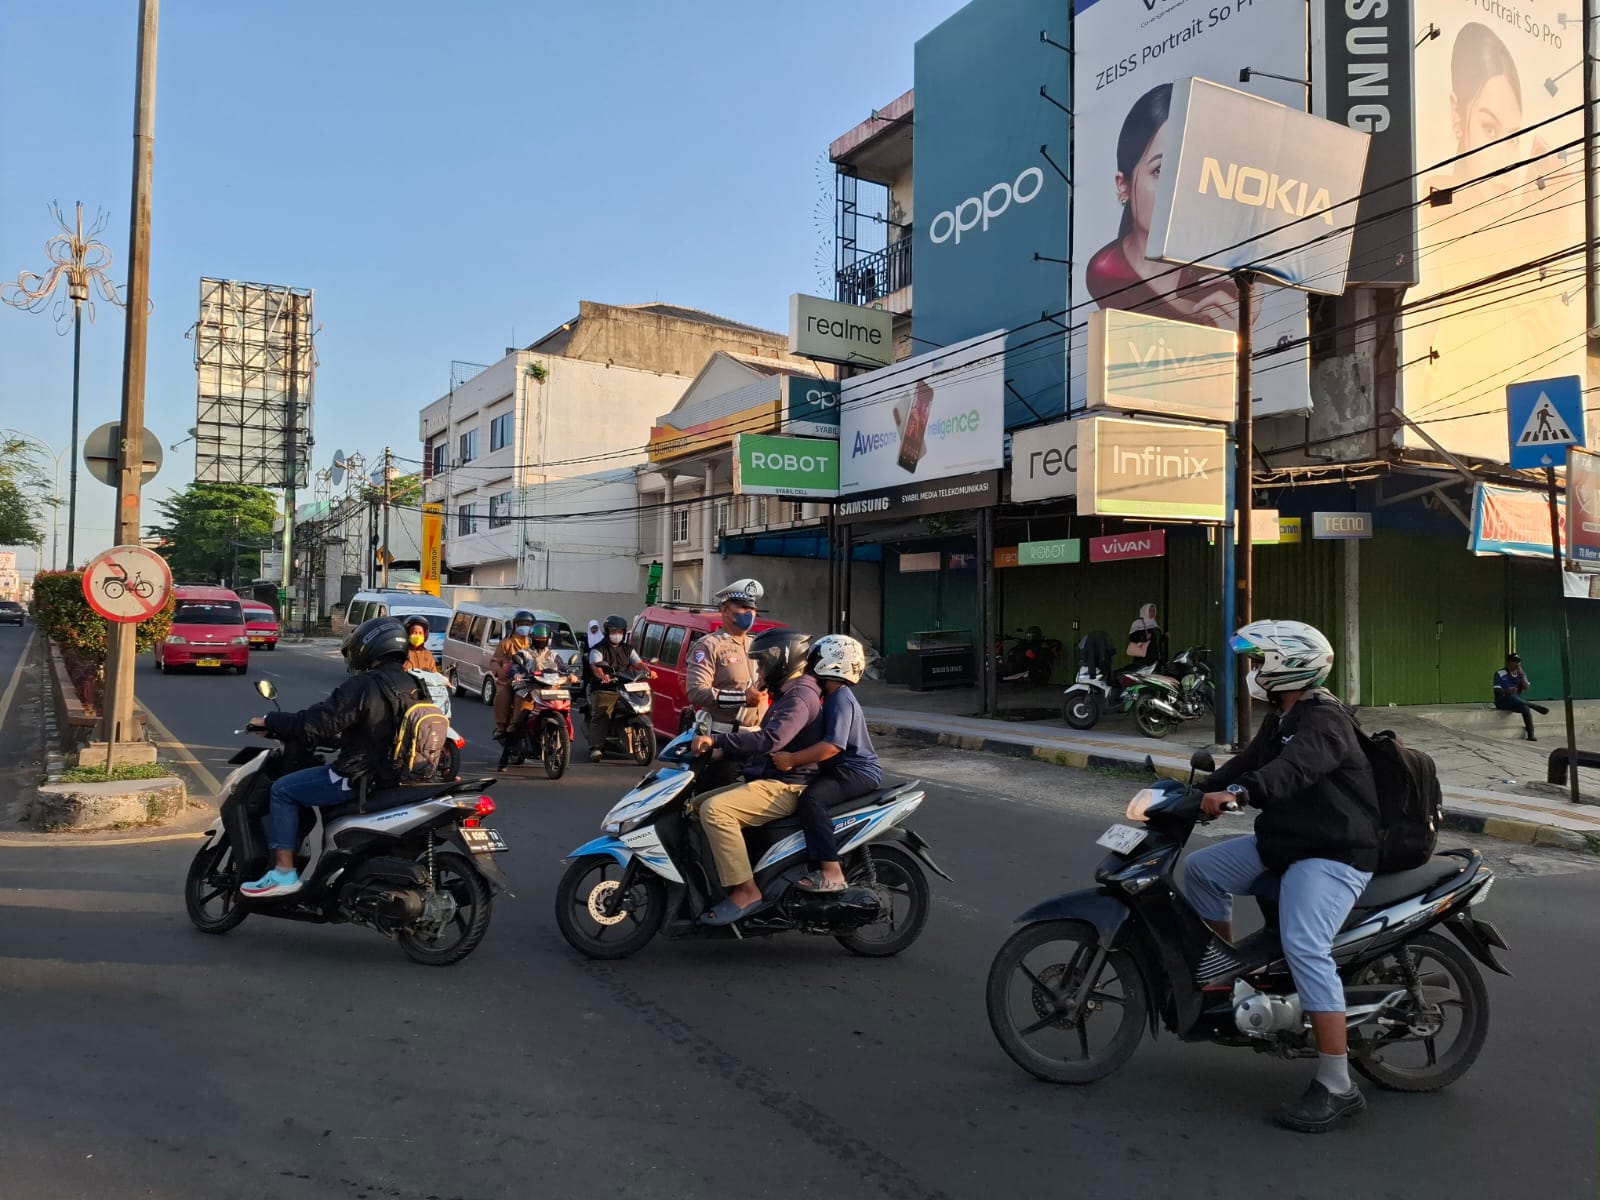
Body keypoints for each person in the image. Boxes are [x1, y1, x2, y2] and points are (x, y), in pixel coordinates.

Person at [1179, 620, 1381, 1133]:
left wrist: (1240, 795)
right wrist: (1192, 793)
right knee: (1201, 870)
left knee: (1304, 945)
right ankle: (1222, 976)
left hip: (1332, 852)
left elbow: (1293, 771)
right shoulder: (1283, 717)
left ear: (1286, 665)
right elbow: (1249, 763)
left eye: (1257, 661)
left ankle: (1338, 1084)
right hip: (1288, 842)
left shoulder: (1324, 720)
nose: (1252, 670)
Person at [240, 617, 422, 899]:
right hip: (397, 778)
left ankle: (283, 872)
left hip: (359, 776)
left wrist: (272, 721)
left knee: (282, 790)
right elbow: (378, 730)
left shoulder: (365, 685)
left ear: (370, 647)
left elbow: (319, 723)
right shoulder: (416, 685)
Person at [689, 629, 822, 925]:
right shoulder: (788, 694)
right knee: (694, 807)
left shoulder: (800, 696)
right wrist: (720, 752)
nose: (759, 671)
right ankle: (721, 878)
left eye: (762, 664)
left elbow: (770, 740)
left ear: (783, 660)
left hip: (788, 785)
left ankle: (746, 890)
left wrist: (718, 741)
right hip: (771, 778)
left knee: (715, 811)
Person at [1084, 82, 1239, 329]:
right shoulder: (1107, 271)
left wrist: (1243, 328)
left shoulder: (1221, 269)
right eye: (1161, 170)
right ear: (1123, 186)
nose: (1177, 186)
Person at [767, 634, 880, 892]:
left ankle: (831, 872)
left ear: (832, 662)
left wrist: (792, 759)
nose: (808, 665)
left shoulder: (841, 699)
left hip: (855, 771)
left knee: (812, 800)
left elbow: (832, 746)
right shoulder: (829, 696)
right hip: (841, 769)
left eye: (814, 659)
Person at [686, 579, 765, 733]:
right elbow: (696, 691)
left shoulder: (756, 645)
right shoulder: (709, 645)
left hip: (756, 735)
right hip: (722, 735)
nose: (749, 613)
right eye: (743, 607)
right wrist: (742, 698)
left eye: (752, 608)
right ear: (725, 610)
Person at [500, 623, 582, 770]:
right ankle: (504, 758)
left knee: (565, 711)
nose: (540, 641)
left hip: (550, 691)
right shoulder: (523, 654)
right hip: (528, 690)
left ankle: (559, 753)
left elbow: (563, 668)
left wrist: (571, 675)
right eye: (537, 639)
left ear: (548, 639)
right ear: (531, 639)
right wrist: (517, 674)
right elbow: (514, 667)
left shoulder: (553, 655)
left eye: (543, 639)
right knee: (518, 721)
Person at [587, 615, 655, 762]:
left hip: (626, 686)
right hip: (605, 688)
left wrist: (648, 670)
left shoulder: (628, 649)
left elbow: (638, 663)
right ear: (607, 632)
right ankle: (596, 747)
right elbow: (595, 666)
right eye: (614, 631)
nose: (617, 634)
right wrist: (603, 676)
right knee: (602, 714)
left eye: (620, 631)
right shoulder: (598, 649)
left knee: (642, 704)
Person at [490, 610, 537, 741]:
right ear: (514, 625)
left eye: (528, 624)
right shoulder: (506, 643)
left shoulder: (535, 643)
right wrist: (500, 672)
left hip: (530, 678)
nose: (524, 627)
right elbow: (495, 661)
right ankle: (502, 726)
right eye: (521, 624)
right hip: (509, 678)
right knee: (502, 695)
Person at [1493, 652, 1548, 741]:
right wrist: (1507, 691)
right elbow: (1496, 689)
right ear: (1508, 662)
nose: (1517, 664)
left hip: (1516, 701)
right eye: (1514, 661)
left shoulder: (1521, 674)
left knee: (1525, 708)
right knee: (1511, 697)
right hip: (1503, 700)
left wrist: (1521, 674)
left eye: (1518, 662)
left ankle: (1531, 734)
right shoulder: (1500, 673)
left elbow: (1526, 687)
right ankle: (1534, 706)